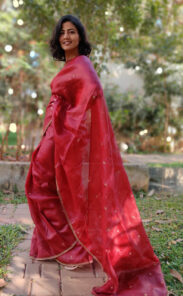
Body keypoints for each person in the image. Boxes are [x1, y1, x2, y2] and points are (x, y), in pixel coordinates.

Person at [25, 14, 168, 296]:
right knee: (42, 183)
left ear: (81, 37)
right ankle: (61, 245)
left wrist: (70, 131)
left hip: (62, 136)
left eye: (72, 32)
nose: (66, 36)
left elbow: (93, 94)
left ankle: (72, 249)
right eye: (62, 32)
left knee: (43, 183)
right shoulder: (71, 65)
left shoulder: (83, 65)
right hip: (53, 131)